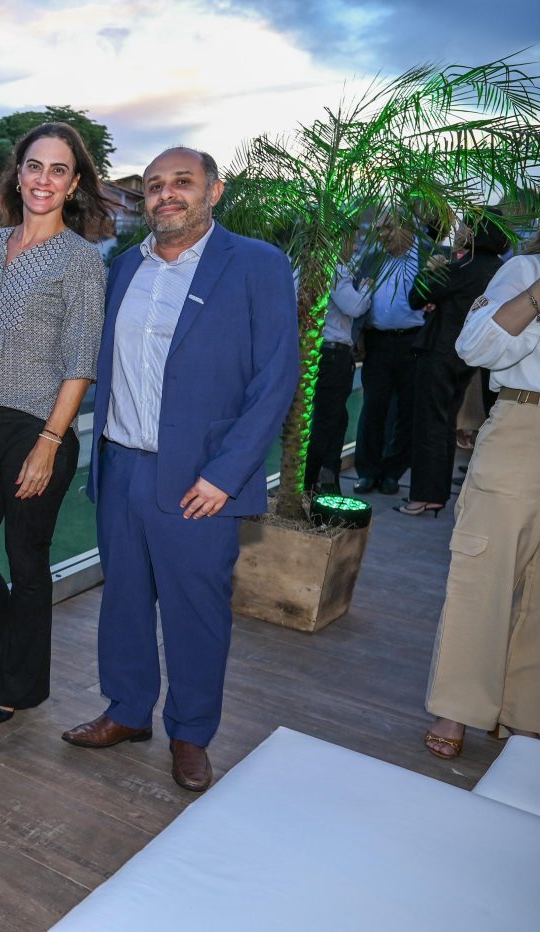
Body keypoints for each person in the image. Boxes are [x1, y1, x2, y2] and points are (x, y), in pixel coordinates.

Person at [60, 147, 297, 793]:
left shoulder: (256, 265)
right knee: (126, 604)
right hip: (122, 468)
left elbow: (277, 379)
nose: (166, 195)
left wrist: (225, 474)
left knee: (197, 614)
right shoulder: (120, 269)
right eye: (156, 185)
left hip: (200, 481)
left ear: (214, 191)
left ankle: (190, 733)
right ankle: (127, 712)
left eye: (182, 183)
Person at [0, 122, 110, 725]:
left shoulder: (81, 261)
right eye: (35, 166)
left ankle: (14, 686)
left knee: (25, 559)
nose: (44, 179)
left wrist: (48, 441)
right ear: (17, 175)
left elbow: (80, 362)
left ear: (73, 185)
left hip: (37, 428)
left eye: (59, 170)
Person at [423, 238, 540, 758]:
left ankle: (527, 711)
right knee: (485, 565)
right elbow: (476, 348)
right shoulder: (523, 270)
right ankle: (460, 707)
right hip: (525, 423)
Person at [395, 216, 508, 516]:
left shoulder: (462, 267)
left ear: (473, 233)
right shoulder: (498, 269)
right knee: (444, 425)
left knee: (430, 425)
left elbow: (416, 297)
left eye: (462, 228)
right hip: (469, 358)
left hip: (440, 351)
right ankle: (435, 495)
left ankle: (424, 496)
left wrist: (431, 271)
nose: (457, 232)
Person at [352, 219, 422, 496]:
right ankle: (367, 472)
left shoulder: (429, 256)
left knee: (407, 411)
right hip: (378, 342)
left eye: (388, 227)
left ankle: (393, 473)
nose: (381, 234)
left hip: (414, 342)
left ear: (408, 228)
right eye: (379, 228)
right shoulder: (372, 259)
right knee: (372, 409)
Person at [303, 239, 369, 494]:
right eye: (350, 240)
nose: (353, 248)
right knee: (327, 420)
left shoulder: (302, 266)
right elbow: (355, 306)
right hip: (332, 354)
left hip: (311, 352)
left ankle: (325, 478)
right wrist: (366, 289)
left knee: (331, 418)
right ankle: (311, 482)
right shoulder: (334, 269)